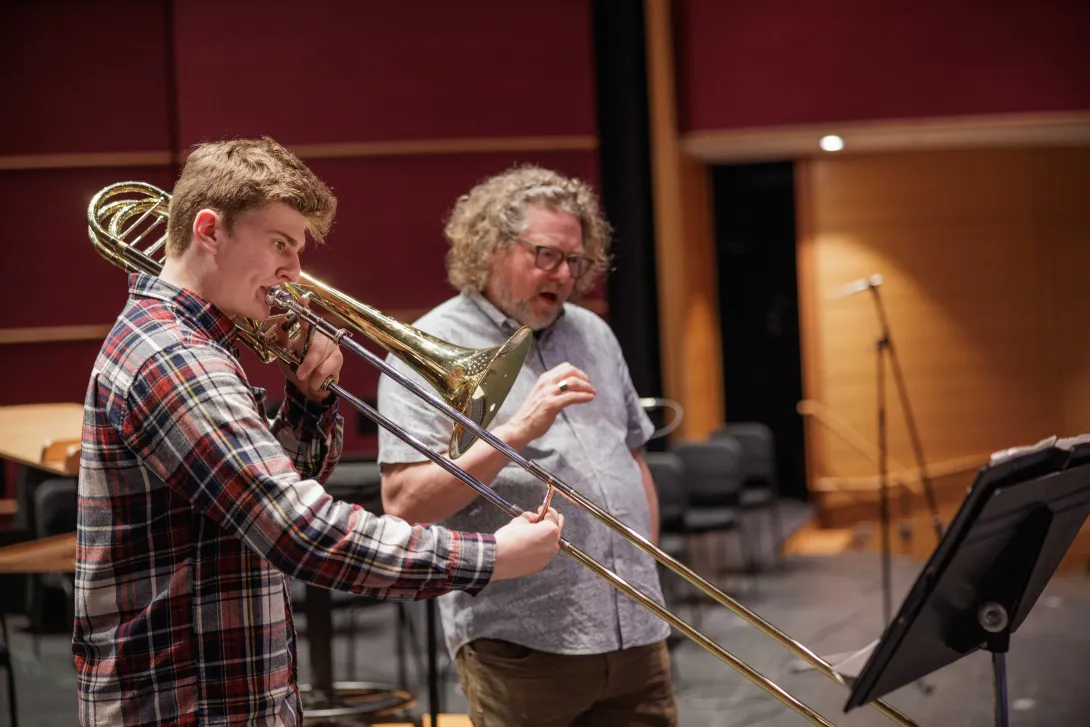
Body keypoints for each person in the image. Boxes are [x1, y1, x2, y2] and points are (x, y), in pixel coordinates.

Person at [73, 137, 564, 727]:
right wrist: (489, 557)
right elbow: (298, 532)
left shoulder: (193, 345)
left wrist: (309, 400)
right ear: (208, 230)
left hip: (221, 691)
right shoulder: (176, 358)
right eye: (280, 243)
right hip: (190, 703)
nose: (295, 272)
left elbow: (259, 501)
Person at [377, 165, 678, 726]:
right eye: (546, 256)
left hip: (635, 631)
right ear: (491, 247)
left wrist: (642, 578)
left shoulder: (594, 333)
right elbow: (405, 505)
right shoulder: (427, 348)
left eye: (575, 261)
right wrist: (515, 432)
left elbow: (631, 456)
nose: (563, 275)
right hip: (523, 644)